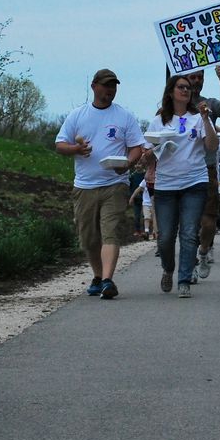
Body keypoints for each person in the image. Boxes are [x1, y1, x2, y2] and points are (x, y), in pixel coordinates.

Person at [54, 68, 147, 300]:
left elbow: (137, 146)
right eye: (106, 85)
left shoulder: (124, 116)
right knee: (88, 237)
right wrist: (76, 149)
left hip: (115, 184)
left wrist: (127, 163)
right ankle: (98, 276)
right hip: (84, 186)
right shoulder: (78, 115)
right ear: (94, 86)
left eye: (113, 86)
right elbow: (60, 144)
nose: (110, 90)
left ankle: (107, 280)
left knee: (110, 231)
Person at [147, 75, 218, 298]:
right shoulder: (159, 121)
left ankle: (184, 279)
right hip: (166, 184)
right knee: (166, 237)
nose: (185, 91)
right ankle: (168, 268)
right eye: (180, 87)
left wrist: (207, 120)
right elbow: (146, 154)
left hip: (194, 182)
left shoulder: (198, 118)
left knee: (188, 233)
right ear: (170, 92)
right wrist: (157, 149)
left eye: (188, 88)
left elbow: (212, 146)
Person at [187, 65, 220, 278]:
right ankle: (190, 263)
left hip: (207, 168)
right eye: (192, 77)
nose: (196, 80)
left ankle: (203, 251)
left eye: (199, 77)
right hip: (183, 169)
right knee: (188, 222)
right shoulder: (175, 105)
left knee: (207, 221)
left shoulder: (209, 103)